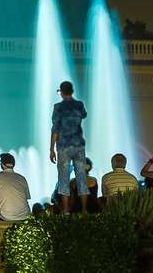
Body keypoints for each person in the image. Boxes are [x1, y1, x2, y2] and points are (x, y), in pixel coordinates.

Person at [48, 80, 88, 213]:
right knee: (81, 177)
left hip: (63, 146)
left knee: (63, 178)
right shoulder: (79, 105)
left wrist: (51, 149)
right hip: (78, 145)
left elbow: (55, 129)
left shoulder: (58, 107)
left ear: (61, 92)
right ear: (72, 91)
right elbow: (84, 115)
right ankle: (84, 210)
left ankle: (66, 210)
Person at [0, 152, 31, 222]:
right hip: (25, 216)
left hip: (7, 218)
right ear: (13, 164)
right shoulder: (22, 178)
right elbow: (26, 198)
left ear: (2, 164)